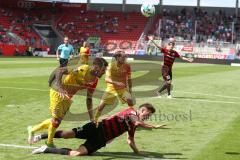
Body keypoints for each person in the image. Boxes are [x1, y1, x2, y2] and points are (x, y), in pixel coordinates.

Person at [27, 58, 108, 147]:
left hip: (68, 97)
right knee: (56, 121)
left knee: (57, 121)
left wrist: (92, 118)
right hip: (58, 93)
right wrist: (59, 86)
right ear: (96, 67)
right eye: (103, 70)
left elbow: (89, 99)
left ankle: (33, 129)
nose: (104, 72)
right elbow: (60, 70)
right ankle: (49, 143)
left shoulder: (94, 81)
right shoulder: (83, 69)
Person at [32, 103, 166, 156]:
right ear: (142, 110)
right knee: (67, 134)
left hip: (102, 139)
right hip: (97, 127)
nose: (147, 117)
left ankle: (45, 149)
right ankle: (43, 136)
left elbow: (130, 140)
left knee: (78, 154)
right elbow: (135, 120)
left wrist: (138, 152)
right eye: (147, 114)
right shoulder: (131, 112)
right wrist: (153, 126)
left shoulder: (134, 125)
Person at [94, 51, 133, 124]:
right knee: (101, 106)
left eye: (126, 57)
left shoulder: (127, 66)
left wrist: (130, 90)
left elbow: (129, 79)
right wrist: (116, 83)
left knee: (130, 101)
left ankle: (133, 118)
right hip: (111, 88)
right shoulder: (111, 66)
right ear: (118, 58)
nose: (125, 59)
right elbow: (107, 79)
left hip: (122, 88)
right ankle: (95, 119)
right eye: (123, 57)